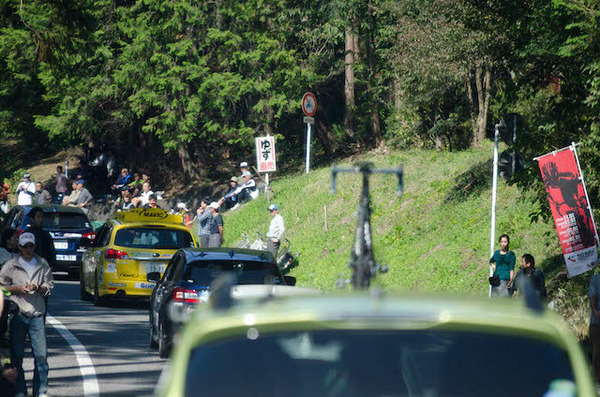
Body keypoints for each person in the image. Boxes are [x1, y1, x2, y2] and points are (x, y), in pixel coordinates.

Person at [0, 232, 54, 397]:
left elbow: (49, 285)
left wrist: (39, 288)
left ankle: (41, 390)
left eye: (31, 246)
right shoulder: (11, 265)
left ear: (34, 247)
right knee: (17, 355)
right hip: (19, 314)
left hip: (37, 314)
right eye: (25, 246)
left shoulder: (42, 263)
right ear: (19, 247)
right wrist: (18, 288)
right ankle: (20, 390)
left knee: (41, 356)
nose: (28, 249)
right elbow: (2, 286)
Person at [590, 271, 600, 382]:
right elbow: (592, 296)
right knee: (597, 352)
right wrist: (595, 312)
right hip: (597, 323)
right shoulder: (596, 279)